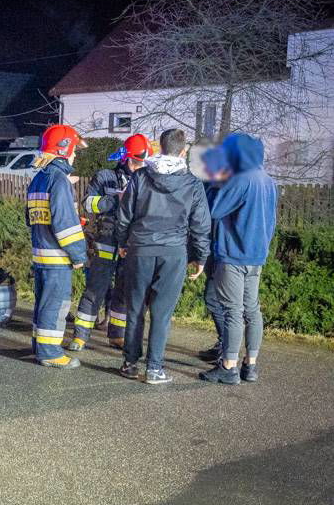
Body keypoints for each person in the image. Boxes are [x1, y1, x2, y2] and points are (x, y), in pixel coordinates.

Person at [114, 128, 210, 384]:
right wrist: (200, 257)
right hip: (173, 252)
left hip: (140, 249)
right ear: (183, 151)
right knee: (161, 313)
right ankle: (154, 369)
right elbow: (201, 224)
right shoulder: (193, 184)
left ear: (159, 147)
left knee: (135, 309)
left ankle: (130, 363)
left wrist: (122, 243)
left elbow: (124, 215)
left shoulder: (140, 177)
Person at [200, 134, 277, 385]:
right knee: (252, 311)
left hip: (234, 255)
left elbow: (214, 209)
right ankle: (250, 365)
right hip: (256, 255)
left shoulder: (240, 179)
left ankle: (228, 367)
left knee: (232, 312)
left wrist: (214, 181)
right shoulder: (267, 180)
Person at [69, 133, 152, 352]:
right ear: (125, 158)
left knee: (124, 292)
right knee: (95, 289)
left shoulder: (145, 179)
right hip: (106, 243)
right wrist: (115, 199)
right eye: (134, 161)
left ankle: (117, 335)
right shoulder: (105, 177)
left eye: (141, 162)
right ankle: (80, 336)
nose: (136, 167)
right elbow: (88, 204)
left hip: (130, 246)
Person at [26, 124, 88, 369]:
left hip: (41, 252)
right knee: (56, 304)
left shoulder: (39, 178)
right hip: (58, 257)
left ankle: (40, 346)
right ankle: (50, 352)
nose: (75, 155)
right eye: (74, 150)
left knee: (43, 303)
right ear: (65, 148)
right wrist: (78, 253)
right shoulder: (59, 179)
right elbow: (63, 224)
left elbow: (30, 217)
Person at [198, 146, 232, 362]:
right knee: (213, 299)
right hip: (213, 250)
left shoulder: (228, 187)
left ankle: (227, 348)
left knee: (216, 299)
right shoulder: (207, 185)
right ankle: (224, 344)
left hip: (226, 252)